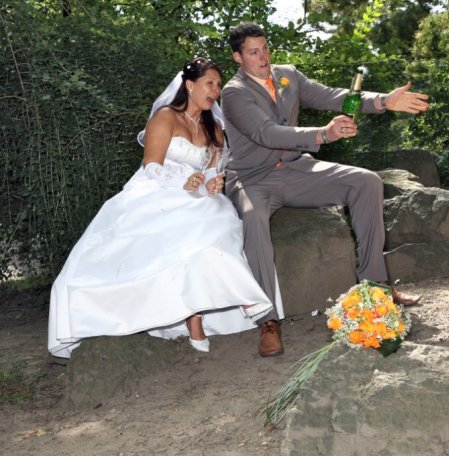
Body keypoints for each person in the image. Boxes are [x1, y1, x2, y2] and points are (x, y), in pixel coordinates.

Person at [220, 22, 430, 358]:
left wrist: (383, 101)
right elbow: (266, 133)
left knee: (367, 181)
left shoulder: (287, 75)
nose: (263, 57)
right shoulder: (233, 93)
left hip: (297, 170)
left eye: (265, 48)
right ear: (238, 57)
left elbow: (333, 96)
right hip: (252, 178)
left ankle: (376, 288)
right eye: (254, 52)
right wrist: (323, 134)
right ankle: (267, 321)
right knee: (252, 219)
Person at [48, 57, 280, 358]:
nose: (216, 90)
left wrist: (212, 183)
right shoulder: (165, 117)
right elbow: (152, 166)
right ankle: (208, 312)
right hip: (158, 190)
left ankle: (216, 307)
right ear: (190, 85)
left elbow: (212, 172)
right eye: (210, 83)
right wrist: (184, 182)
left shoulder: (214, 128)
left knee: (214, 225)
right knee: (179, 230)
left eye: (218, 85)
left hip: (199, 196)